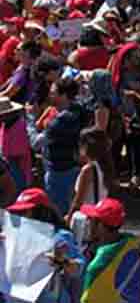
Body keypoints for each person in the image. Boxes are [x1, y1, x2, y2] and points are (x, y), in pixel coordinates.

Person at [4, 187, 85, 303]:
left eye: (24, 212)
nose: (20, 217)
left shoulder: (59, 237)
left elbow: (78, 269)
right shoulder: (15, 236)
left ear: (41, 212)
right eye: (18, 212)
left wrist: (63, 261)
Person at [79, 197, 140, 303]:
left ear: (100, 226)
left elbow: (88, 300)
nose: (87, 222)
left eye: (91, 219)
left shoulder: (98, 266)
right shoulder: (131, 244)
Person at [40, 76, 85, 215]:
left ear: (64, 96)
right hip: (73, 167)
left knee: (58, 213)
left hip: (59, 172)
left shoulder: (60, 122)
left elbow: (36, 142)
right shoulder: (79, 110)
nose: (49, 95)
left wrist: (29, 121)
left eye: (53, 93)